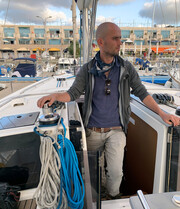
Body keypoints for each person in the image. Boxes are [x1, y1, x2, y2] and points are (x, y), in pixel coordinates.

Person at [37, 22, 180, 199]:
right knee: (91, 171)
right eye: (115, 38)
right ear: (101, 42)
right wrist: (56, 96)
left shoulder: (126, 68)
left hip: (117, 131)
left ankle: (112, 198)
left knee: (116, 173)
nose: (120, 43)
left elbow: (142, 93)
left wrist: (162, 113)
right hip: (92, 131)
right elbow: (73, 93)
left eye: (120, 38)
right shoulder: (87, 70)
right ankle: (95, 198)